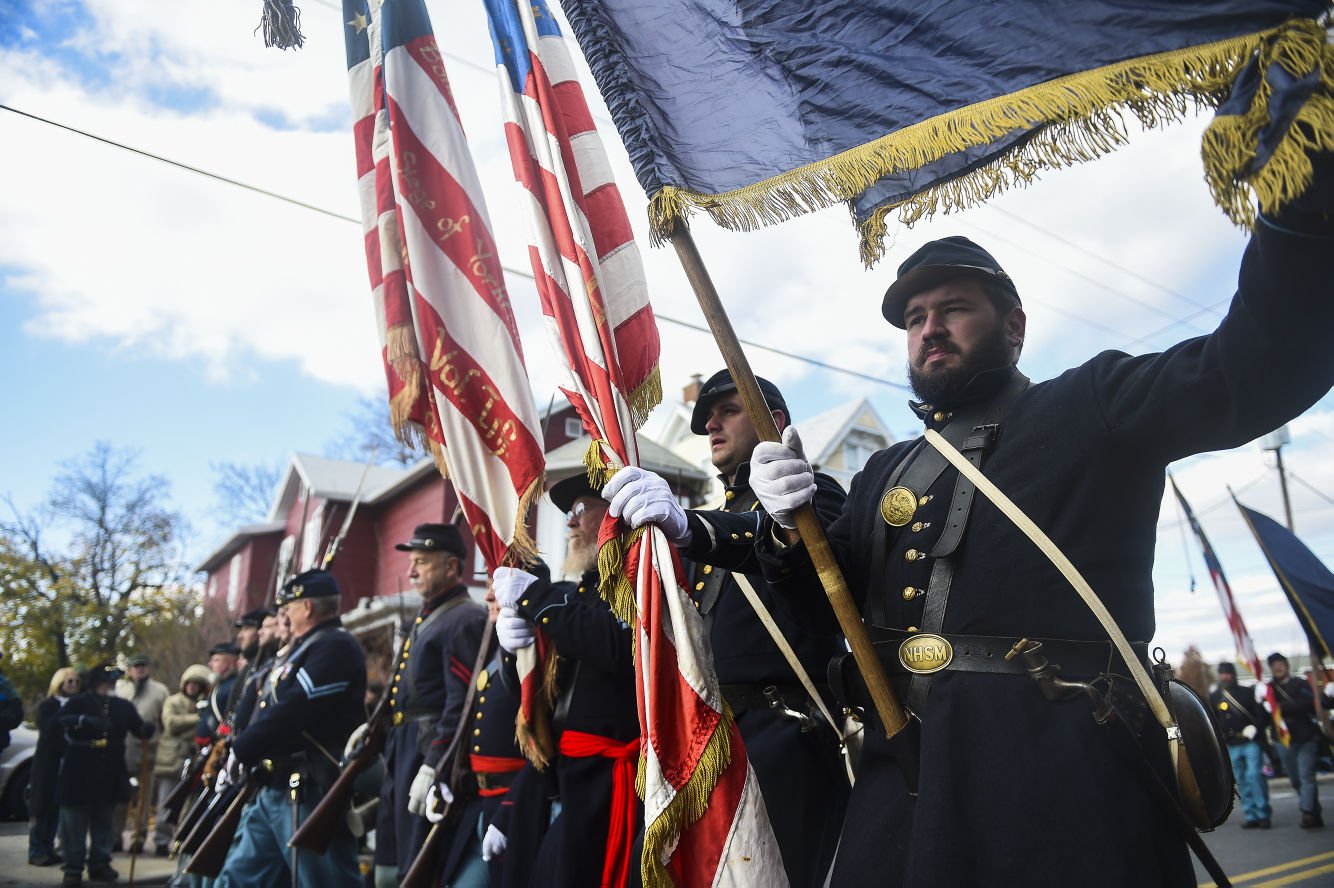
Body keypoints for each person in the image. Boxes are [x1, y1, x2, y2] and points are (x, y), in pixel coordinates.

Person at [616, 156, 1334, 886]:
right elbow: (822, 607)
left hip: (1061, 779)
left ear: (1014, 326)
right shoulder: (885, 471)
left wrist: (1299, 205)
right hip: (910, 784)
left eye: (953, 309)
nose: (930, 329)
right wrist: (781, 523)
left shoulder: (1091, 404)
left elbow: (1248, 369)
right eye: (915, 319)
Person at [604, 369, 851, 886]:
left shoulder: (810, 496)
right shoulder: (713, 519)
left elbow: (773, 540)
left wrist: (691, 527)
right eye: (706, 418)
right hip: (716, 736)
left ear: (773, 420)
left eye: (728, 411)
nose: (711, 425)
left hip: (785, 736)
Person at [493, 474, 642, 888]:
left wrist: (535, 597)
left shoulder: (637, 578)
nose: (570, 524)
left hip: (609, 783)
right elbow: (540, 699)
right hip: (566, 779)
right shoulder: (578, 594)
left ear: (614, 515)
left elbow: (614, 644)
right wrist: (514, 653)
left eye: (580, 510)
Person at [213, 569, 368, 888]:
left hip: (308, 787)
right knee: (238, 878)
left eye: (289, 607)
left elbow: (295, 709)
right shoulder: (303, 649)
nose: (285, 615)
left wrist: (242, 749)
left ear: (307, 608)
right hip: (274, 783)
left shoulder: (336, 646)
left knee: (324, 881)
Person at [375, 524, 487, 887]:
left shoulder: (463, 619)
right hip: (404, 746)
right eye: (412, 562)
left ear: (452, 567)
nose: (410, 571)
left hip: (426, 748)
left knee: (419, 865)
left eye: (421, 562)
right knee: (392, 860)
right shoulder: (429, 616)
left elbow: (461, 704)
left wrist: (434, 765)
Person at [434, 581, 526, 888]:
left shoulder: (532, 658)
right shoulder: (493, 655)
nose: (487, 596)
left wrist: (510, 811)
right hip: (478, 802)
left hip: (511, 804)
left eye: (496, 587)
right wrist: (445, 774)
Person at [57, 664, 155, 887]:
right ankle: (73, 868)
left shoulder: (122, 705)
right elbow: (57, 721)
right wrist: (82, 720)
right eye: (106, 681)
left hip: (109, 768)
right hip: (79, 768)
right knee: (74, 822)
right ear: (96, 682)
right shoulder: (78, 701)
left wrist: (145, 729)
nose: (110, 685)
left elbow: (137, 727)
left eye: (112, 682)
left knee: (104, 820)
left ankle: (100, 864)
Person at [114, 654, 169, 854]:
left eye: (143, 666)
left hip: (147, 751)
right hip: (122, 750)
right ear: (129, 670)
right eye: (136, 666)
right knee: (120, 796)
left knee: (144, 800)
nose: (140, 670)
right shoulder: (121, 689)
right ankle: (115, 836)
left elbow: (165, 723)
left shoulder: (160, 691)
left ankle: (139, 837)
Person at [154, 664, 211, 857]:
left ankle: (181, 839)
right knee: (167, 800)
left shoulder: (206, 702)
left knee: (188, 803)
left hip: (194, 759)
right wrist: (198, 718)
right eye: (190, 683)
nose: (192, 687)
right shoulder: (173, 701)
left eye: (197, 684)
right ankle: (161, 841)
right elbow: (171, 724)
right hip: (172, 758)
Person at [29, 667, 80, 867]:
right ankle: (37, 850)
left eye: (76, 682)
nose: (73, 685)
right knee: (42, 807)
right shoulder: (48, 705)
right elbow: (48, 730)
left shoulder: (79, 704)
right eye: (69, 682)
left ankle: (49, 848)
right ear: (59, 683)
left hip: (68, 763)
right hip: (48, 764)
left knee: (57, 808)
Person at [1267, 652, 1324, 828]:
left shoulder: (1300, 683)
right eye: (1274, 665)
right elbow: (1264, 714)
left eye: (1280, 663)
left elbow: (1307, 704)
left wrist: (1281, 707)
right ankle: (1314, 811)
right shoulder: (1268, 689)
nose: (1278, 667)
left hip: (1304, 736)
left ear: (1286, 665)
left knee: (1306, 775)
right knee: (1296, 779)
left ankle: (1306, 812)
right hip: (1282, 739)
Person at [1210, 662, 1271, 829]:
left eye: (1228, 673)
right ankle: (1251, 815)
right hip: (1231, 744)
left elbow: (1262, 715)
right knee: (1242, 781)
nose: (1225, 676)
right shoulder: (1215, 696)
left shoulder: (1247, 692)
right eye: (1222, 673)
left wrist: (1255, 728)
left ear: (1233, 674)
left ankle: (1263, 814)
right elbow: (1213, 720)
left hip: (1250, 742)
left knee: (1255, 777)